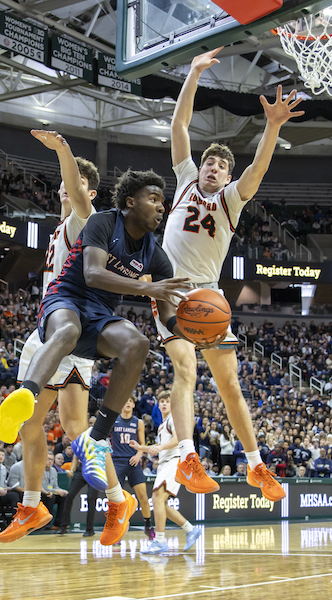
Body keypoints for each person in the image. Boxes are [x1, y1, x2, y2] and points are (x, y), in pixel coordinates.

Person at [0, 167, 192, 544]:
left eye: (163, 202)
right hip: (66, 300)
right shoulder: (103, 221)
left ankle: (98, 446)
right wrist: (147, 289)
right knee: (64, 344)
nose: (161, 207)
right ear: (130, 201)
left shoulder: (155, 253)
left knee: (136, 344)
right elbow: (93, 273)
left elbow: (168, 315)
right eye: (154, 199)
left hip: (98, 318)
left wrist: (192, 330)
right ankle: (27, 394)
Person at [152, 47, 304, 502]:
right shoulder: (182, 180)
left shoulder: (232, 199)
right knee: (185, 371)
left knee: (230, 384)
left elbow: (258, 167)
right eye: (209, 163)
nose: (213, 168)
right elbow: (179, 126)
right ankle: (187, 457)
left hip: (211, 298)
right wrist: (194, 73)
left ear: (226, 175)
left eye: (221, 165)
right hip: (171, 291)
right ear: (199, 167)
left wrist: (272, 126)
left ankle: (257, 467)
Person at [131, 391, 202, 554]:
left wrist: (161, 447)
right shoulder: (163, 424)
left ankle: (160, 541)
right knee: (160, 503)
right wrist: (140, 448)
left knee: (157, 498)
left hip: (174, 461)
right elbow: (158, 447)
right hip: (165, 464)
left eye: (167, 401)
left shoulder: (174, 419)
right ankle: (191, 529)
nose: (163, 404)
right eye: (161, 401)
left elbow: (178, 439)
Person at [111, 395, 155, 539]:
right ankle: (116, 529)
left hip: (134, 462)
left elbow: (142, 444)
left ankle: (148, 526)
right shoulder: (113, 419)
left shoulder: (139, 423)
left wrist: (138, 455)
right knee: (117, 498)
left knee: (143, 496)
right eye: (125, 400)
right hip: (117, 461)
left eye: (130, 401)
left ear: (134, 405)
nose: (128, 403)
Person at [58, 454, 99, 537]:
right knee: (69, 495)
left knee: (91, 498)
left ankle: (90, 529)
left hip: (95, 470)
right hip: (81, 470)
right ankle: (64, 526)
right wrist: (72, 470)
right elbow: (76, 457)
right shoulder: (82, 442)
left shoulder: (101, 442)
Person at [40, 452, 68, 529]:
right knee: (51, 497)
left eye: (52, 460)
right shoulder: (39, 469)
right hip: (40, 493)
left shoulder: (53, 470)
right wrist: (56, 491)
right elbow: (41, 487)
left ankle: (58, 522)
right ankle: (47, 524)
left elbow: (55, 486)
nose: (50, 461)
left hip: (50, 492)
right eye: (48, 459)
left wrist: (62, 490)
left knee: (64, 497)